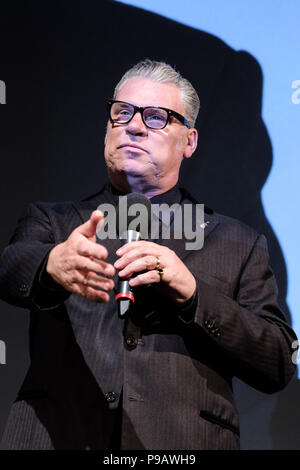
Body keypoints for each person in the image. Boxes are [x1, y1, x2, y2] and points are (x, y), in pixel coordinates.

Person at [0, 59, 297, 450]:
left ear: (189, 141)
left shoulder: (237, 242)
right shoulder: (56, 221)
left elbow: (277, 360)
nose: (134, 126)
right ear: (107, 128)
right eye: (122, 113)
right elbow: (10, 268)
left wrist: (193, 294)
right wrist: (50, 265)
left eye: (157, 117)